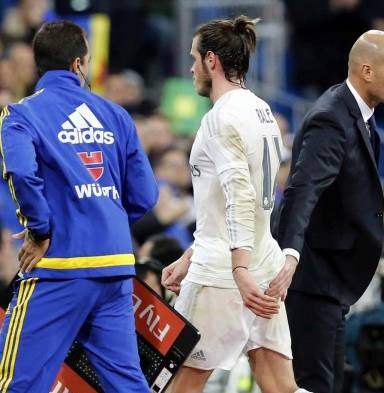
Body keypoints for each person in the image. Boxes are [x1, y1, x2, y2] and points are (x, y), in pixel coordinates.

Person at [0, 21, 158, 392]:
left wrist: (40, 230)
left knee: (16, 383)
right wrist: (105, 216)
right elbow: (146, 195)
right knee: (127, 385)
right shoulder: (116, 115)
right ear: (78, 64)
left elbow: (21, 173)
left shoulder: (21, 115)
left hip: (59, 267)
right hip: (114, 266)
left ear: (39, 64)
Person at [160, 16, 310, 393]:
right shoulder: (263, 112)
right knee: (282, 387)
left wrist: (238, 268)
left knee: (177, 386)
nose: (191, 68)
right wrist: (191, 254)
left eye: (194, 58)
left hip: (225, 273)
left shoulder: (220, 118)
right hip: (263, 261)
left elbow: (240, 195)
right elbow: (230, 204)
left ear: (212, 61)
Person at [272, 30, 384, 392]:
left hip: (331, 284)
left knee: (329, 385)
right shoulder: (332, 118)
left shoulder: (359, 115)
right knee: (313, 385)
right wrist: (289, 254)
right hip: (312, 282)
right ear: (367, 71)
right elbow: (302, 189)